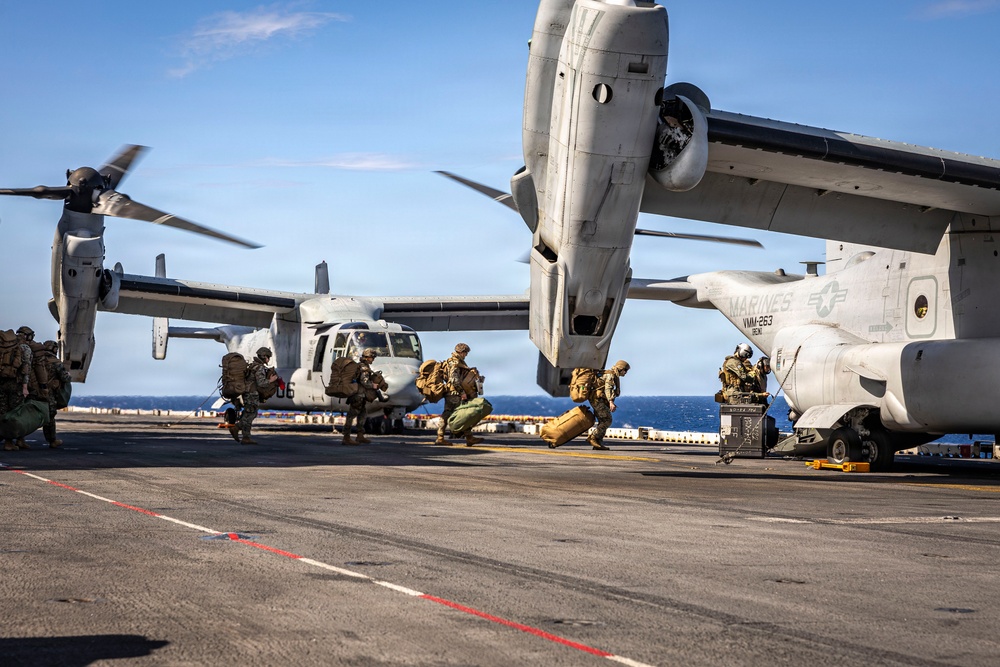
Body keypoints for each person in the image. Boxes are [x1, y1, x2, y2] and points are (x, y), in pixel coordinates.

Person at [434, 343, 483, 447]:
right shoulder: (455, 362)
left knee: (448, 414)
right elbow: (454, 379)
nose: (466, 355)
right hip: (455, 393)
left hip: (450, 392)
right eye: (465, 353)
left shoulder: (450, 361)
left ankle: (440, 437)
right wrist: (462, 392)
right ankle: (469, 438)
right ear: (461, 352)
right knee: (463, 414)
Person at [232, 347, 278, 445]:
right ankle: (237, 427)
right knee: (251, 414)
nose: (268, 359)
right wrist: (271, 380)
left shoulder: (252, 365)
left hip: (247, 393)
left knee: (247, 413)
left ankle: (246, 437)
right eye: (268, 357)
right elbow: (261, 383)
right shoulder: (259, 368)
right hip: (252, 394)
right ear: (264, 356)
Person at [34, 341, 71, 448]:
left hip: (34, 391)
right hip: (48, 393)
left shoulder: (36, 359)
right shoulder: (55, 362)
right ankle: (52, 440)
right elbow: (65, 378)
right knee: (50, 416)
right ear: (54, 349)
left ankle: (19, 440)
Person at [588, 360, 629, 450]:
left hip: (598, 399)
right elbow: (608, 388)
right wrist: (611, 402)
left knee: (603, 420)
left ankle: (598, 442)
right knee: (607, 420)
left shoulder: (614, 376)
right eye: (625, 370)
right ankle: (593, 438)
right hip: (596, 399)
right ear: (620, 369)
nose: (626, 373)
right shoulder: (610, 375)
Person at [341, 347, 379, 446]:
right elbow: (364, 382)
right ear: (367, 357)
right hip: (358, 395)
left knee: (362, 414)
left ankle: (360, 435)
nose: (373, 359)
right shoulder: (364, 368)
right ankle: (346, 437)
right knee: (351, 415)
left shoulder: (361, 366)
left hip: (361, 395)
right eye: (372, 357)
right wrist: (373, 385)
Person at [9, 326, 35, 450]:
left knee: (4, 412)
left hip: (3, 384)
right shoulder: (25, 348)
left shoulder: (8, 346)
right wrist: (25, 387)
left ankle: (9, 442)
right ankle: (19, 440)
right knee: (17, 413)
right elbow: (26, 369)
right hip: (17, 384)